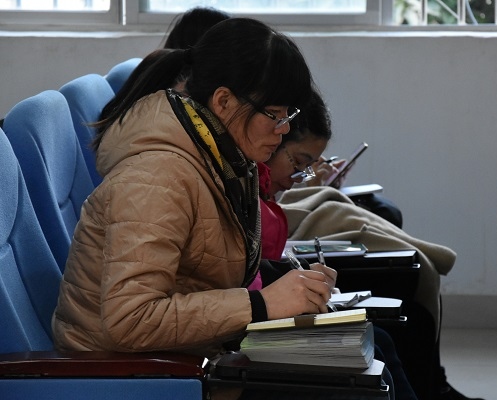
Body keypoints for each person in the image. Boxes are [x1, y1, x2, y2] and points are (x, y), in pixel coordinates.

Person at [52, 17, 392, 400]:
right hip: (139, 375)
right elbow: (130, 320)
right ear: (224, 101)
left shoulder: (223, 157)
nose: (283, 130)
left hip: (191, 356)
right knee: (360, 385)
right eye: (274, 115)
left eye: (289, 116)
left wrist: (290, 285)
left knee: (368, 357)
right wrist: (262, 304)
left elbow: (204, 269)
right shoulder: (157, 178)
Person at [261, 92, 483, 400]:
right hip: (253, 320)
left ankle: (437, 386)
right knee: (389, 332)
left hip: (262, 303)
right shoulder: (233, 195)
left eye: (307, 166)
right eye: (299, 163)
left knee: (396, 327)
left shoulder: (258, 194)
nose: (297, 177)